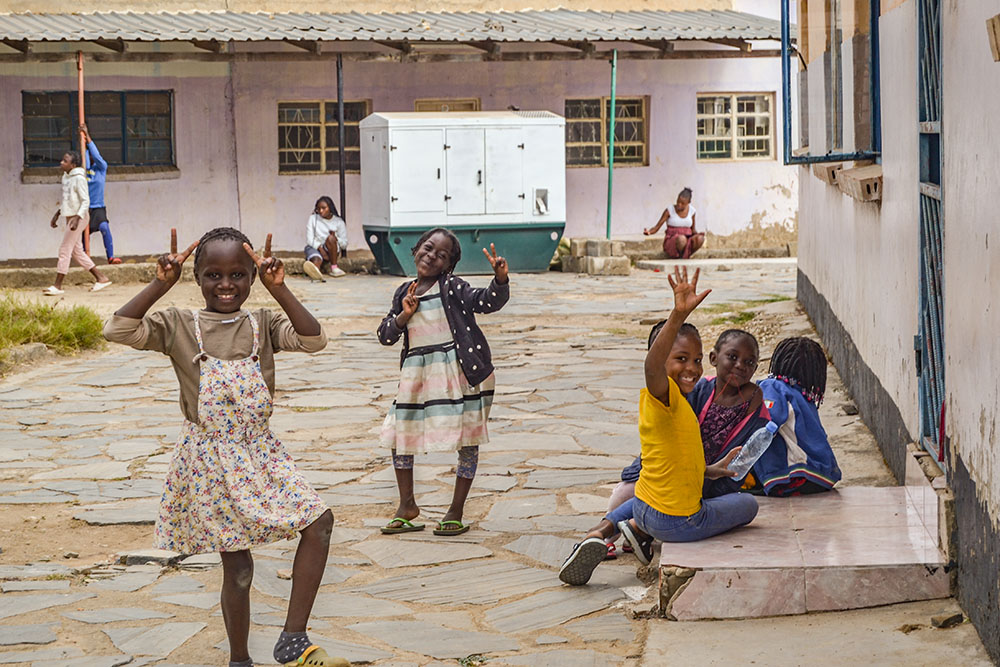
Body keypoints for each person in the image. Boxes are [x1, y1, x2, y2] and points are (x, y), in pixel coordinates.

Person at [103, 227, 347, 667]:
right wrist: (160, 283)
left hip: (260, 451)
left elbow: (314, 340)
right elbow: (117, 329)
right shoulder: (177, 324)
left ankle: (293, 637)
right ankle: (239, 659)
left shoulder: (264, 324)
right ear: (196, 278)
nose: (226, 285)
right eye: (213, 275)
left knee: (319, 522)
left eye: (238, 274)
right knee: (238, 567)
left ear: (253, 276)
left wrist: (281, 290)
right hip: (209, 459)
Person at [559, 267, 758, 586]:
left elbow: (677, 461)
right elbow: (651, 365)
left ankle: (604, 531)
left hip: (649, 505)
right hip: (680, 521)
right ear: (662, 361)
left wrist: (711, 469)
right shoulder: (662, 394)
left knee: (642, 499)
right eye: (680, 359)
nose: (692, 368)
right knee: (748, 505)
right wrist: (677, 316)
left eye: (696, 360)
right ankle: (638, 529)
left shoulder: (678, 403)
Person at [377, 228, 509, 536]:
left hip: (459, 374)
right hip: (416, 376)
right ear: (416, 250)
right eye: (427, 247)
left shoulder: (453, 287)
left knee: (467, 439)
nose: (431, 255)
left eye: (442, 254)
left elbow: (485, 301)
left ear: (449, 265)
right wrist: (402, 317)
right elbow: (385, 334)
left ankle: (455, 510)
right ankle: (406, 505)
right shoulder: (403, 293)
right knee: (400, 435)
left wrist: (500, 280)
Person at [602, 326, 768, 560]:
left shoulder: (753, 404)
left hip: (687, 484)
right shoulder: (687, 393)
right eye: (732, 357)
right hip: (672, 491)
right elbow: (670, 446)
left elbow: (726, 459)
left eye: (749, 362)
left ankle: (619, 531)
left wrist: (709, 473)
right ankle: (615, 533)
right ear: (714, 358)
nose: (740, 365)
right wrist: (679, 313)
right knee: (626, 494)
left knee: (652, 499)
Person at [753, 337, 842, 495]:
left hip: (797, 474)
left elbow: (766, 424)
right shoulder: (804, 397)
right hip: (824, 474)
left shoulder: (773, 386)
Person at [43, 150, 111, 295]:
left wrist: (77, 218)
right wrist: (58, 214)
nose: (61, 162)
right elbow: (67, 199)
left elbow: (85, 201)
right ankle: (101, 277)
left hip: (79, 217)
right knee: (77, 252)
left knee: (64, 249)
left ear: (73, 165)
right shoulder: (66, 177)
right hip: (70, 216)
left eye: (65, 161)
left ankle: (57, 285)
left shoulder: (79, 178)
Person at [81, 123, 121, 264]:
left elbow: (97, 157)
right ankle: (86, 261)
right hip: (84, 208)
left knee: (104, 227)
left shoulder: (101, 169)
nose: (92, 157)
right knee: (82, 236)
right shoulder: (83, 171)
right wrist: (83, 145)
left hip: (98, 207)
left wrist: (88, 138)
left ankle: (110, 256)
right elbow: (84, 160)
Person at [643, 187, 705, 259]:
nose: (679, 204)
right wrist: (649, 232)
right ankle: (681, 256)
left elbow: (693, 229)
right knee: (682, 239)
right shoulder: (670, 210)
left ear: (688, 203)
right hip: (673, 240)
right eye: (678, 201)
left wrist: (697, 236)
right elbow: (657, 226)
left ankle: (686, 255)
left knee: (700, 238)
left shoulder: (692, 211)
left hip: (687, 238)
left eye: (682, 203)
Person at [303, 196, 347, 280]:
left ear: (330, 208)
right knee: (316, 260)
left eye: (323, 208)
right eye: (318, 208)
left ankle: (334, 268)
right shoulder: (313, 218)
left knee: (331, 238)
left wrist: (336, 238)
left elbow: (344, 244)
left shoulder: (339, 222)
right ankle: (316, 272)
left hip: (331, 251)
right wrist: (321, 249)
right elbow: (310, 239)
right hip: (315, 247)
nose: (320, 211)